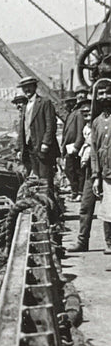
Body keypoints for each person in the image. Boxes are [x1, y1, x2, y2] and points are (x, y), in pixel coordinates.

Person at [17, 76, 60, 192]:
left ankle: (48, 204)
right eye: (24, 88)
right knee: (35, 178)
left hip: (42, 147)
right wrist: (20, 148)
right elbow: (22, 128)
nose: (27, 90)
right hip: (30, 148)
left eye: (29, 87)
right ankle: (39, 203)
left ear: (35, 87)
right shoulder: (25, 106)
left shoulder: (45, 102)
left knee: (45, 178)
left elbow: (51, 125)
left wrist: (46, 143)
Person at [68, 99, 95, 252]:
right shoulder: (87, 128)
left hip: (104, 172)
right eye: (83, 110)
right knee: (85, 206)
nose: (85, 111)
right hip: (90, 172)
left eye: (89, 109)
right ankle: (82, 242)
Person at [90, 79, 111, 254]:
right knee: (108, 211)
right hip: (106, 174)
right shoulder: (97, 122)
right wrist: (96, 176)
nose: (105, 97)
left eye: (108, 92)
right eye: (101, 93)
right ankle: (109, 243)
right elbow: (94, 151)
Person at [61, 96, 84, 201]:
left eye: (67, 103)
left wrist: (77, 146)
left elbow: (80, 131)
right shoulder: (70, 114)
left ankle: (79, 192)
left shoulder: (78, 113)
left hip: (74, 147)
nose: (65, 105)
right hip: (69, 147)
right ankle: (75, 192)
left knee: (76, 170)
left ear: (72, 102)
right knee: (70, 170)